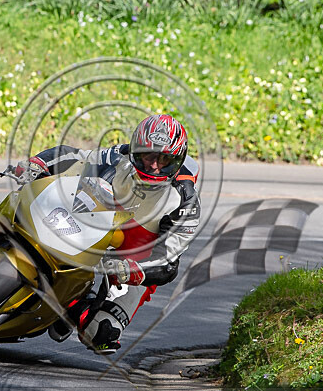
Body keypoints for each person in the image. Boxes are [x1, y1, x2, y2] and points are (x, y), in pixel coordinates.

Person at [13, 114, 200, 354]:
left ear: (177, 160)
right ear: (134, 150)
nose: (154, 166)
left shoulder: (186, 201)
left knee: (101, 333)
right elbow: (77, 157)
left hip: (137, 253)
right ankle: (0, 229)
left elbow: (168, 263)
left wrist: (135, 270)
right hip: (100, 217)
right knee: (33, 189)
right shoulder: (120, 156)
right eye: (148, 156)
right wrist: (39, 163)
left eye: (164, 160)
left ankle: (73, 306)